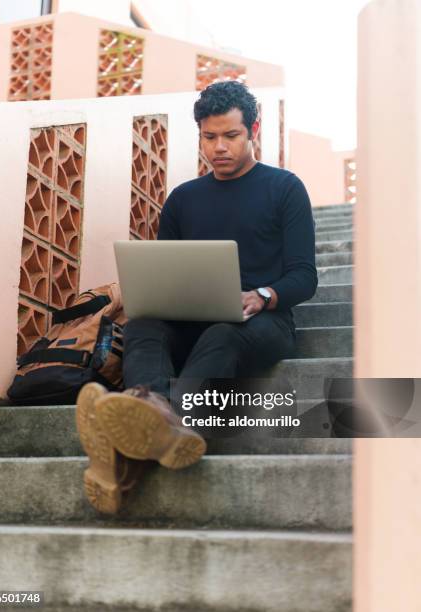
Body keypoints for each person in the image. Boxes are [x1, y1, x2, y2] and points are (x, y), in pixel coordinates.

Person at [76, 81, 318, 514]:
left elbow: (304, 277)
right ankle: (153, 421)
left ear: (253, 130)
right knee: (146, 324)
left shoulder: (285, 188)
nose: (219, 147)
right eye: (209, 137)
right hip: (190, 319)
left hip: (262, 322)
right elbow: (169, 267)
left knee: (224, 332)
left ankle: (131, 437)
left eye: (231, 135)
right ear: (199, 135)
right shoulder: (183, 199)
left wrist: (263, 295)